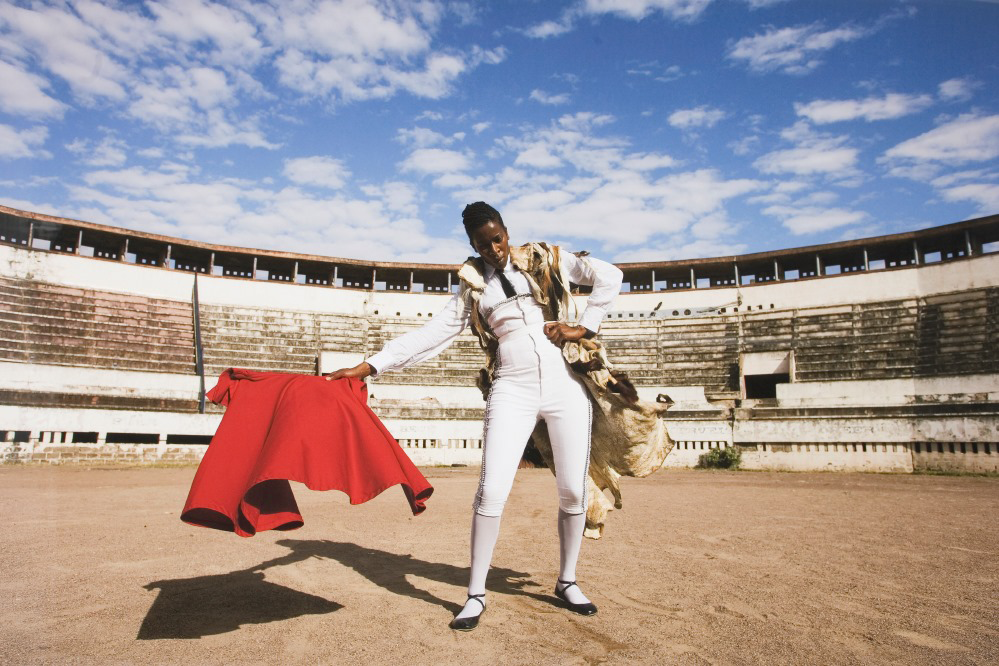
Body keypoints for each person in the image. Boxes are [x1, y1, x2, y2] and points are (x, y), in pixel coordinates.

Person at [326, 202, 623, 631]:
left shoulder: (543, 258)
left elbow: (609, 275)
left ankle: (567, 580)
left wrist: (585, 326)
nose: (494, 249)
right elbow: (433, 334)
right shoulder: (471, 286)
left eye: (498, 238)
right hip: (512, 388)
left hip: (565, 387)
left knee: (573, 492)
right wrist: (371, 364)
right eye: (483, 244)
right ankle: (476, 594)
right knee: (491, 492)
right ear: (472, 244)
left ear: (507, 231)